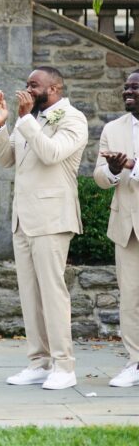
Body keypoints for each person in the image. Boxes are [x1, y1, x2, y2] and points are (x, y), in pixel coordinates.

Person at [0, 66, 88, 390]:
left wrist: (26, 119)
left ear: (55, 88)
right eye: (27, 84)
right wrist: (0, 126)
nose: (28, 89)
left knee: (52, 293)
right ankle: (38, 362)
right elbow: (7, 159)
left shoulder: (73, 119)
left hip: (52, 219)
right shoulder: (27, 119)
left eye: (35, 85)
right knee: (30, 295)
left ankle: (64, 366)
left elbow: (51, 154)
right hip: (23, 219)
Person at [93, 69, 139, 388]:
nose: (127, 92)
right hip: (127, 227)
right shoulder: (112, 128)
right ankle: (136, 362)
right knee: (130, 298)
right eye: (125, 88)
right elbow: (98, 176)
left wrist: (133, 167)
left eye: (134, 88)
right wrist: (111, 171)